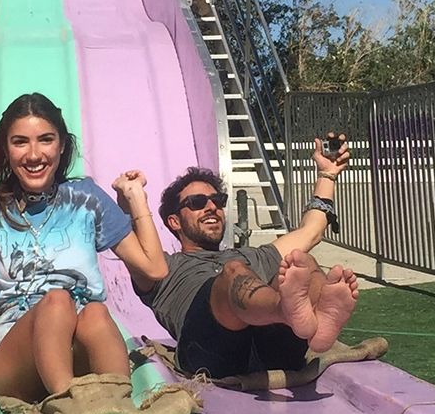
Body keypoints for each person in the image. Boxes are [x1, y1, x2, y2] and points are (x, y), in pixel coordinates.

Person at [0, 91, 198, 414]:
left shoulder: (85, 199)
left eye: (45, 140)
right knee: (58, 300)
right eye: (20, 142)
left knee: (95, 312)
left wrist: (135, 197)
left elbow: (154, 269)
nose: (34, 155)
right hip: (18, 363)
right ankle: (67, 407)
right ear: (6, 150)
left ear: (62, 146)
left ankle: (116, 405)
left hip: (80, 346)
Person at [130, 138, 361, 380]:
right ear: (174, 221)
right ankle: (289, 312)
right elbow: (130, 244)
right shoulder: (161, 268)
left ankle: (318, 325)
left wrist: (327, 174)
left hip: (276, 352)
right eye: (197, 202)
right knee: (233, 272)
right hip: (210, 355)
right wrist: (133, 197)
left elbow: (311, 232)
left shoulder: (252, 255)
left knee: (302, 261)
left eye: (218, 200)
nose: (212, 207)